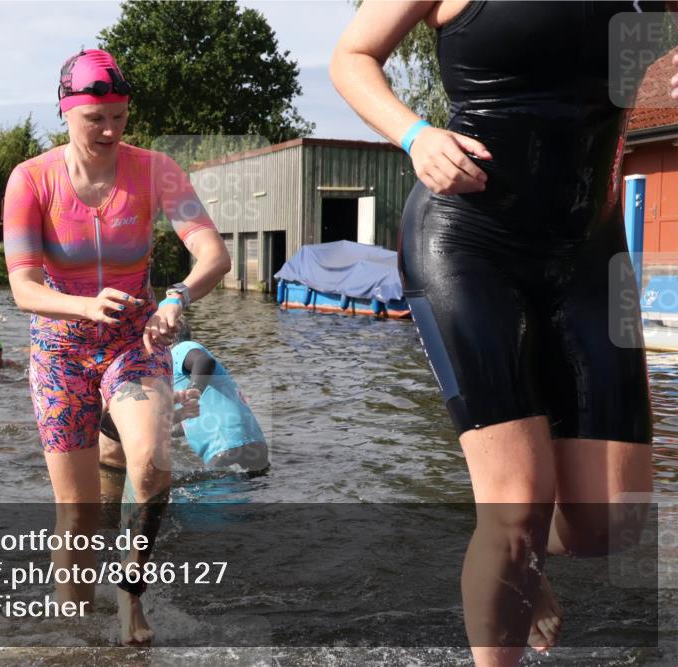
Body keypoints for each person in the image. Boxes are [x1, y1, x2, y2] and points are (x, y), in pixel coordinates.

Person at [330, 3, 678, 664]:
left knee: (611, 521)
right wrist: (416, 135)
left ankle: (514, 548)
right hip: (470, 240)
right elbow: (352, 57)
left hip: (591, 251)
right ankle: (509, 540)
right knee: (516, 503)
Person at [3, 48, 230, 644]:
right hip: (60, 349)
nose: (109, 130)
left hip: (136, 337)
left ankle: (132, 595)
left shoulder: (156, 170)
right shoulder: (31, 179)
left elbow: (214, 254)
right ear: (66, 112)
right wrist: (82, 304)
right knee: (77, 517)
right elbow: (23, 288)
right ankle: (72, 631)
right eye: (94, 119)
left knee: (152, 468)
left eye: (119, 117)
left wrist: (176, 298)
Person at [100, 315, 268, 473]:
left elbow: (204, 362)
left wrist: (193, 393)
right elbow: (194, 421)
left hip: (226, 446)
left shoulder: (180, 349)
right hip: (254, 446)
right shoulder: (175, 374)